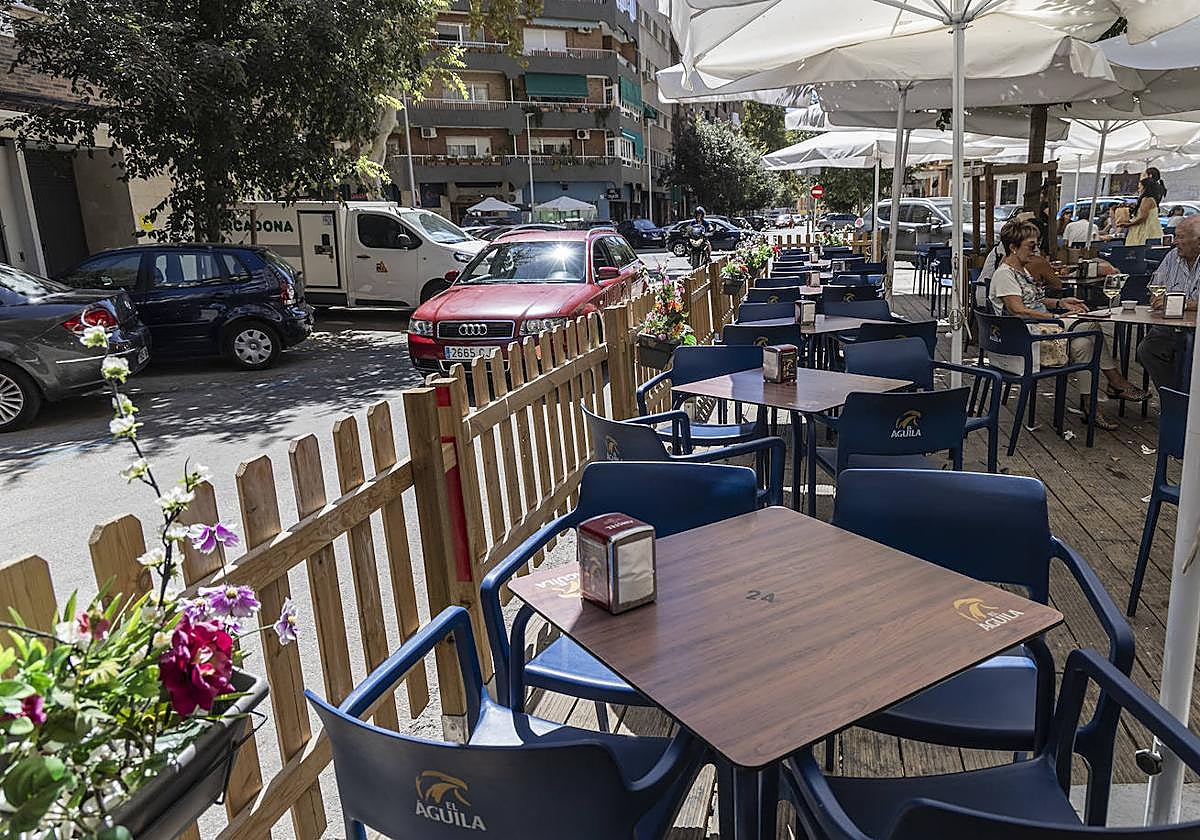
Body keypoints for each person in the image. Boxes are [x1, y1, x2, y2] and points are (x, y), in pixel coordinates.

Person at [988, 220, 1149, 430]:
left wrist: (1061, 302)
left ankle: (1090, 405)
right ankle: (1116, 382)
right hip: (1026, 339)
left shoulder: (1022, 270)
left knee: (1084, 345)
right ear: (1013, 247)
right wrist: (1058, 316)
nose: (1036, 249)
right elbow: (1018, 310)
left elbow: (1033, 301)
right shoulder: (1005, 274)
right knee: (1090, 323)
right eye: (1030, 245)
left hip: (1040, 329)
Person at [1136, 215, 1200, 389]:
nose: (1175, 242)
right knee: (1146, 350)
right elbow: (1155, 288)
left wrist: (1180, 303)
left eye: (1181, 237)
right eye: (1175, 236)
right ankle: (1173, 399)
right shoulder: (1172, 257)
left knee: (1191, 354)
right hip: (1170, 326)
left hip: (1197, 331)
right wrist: (1156, 299)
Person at [1120, 177, 1162, 247]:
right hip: (1152, 228)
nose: (1139, 189)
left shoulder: (1146, 200)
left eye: (1140, 187)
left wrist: (1129, 224)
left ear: (1145, 187)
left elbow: (1143, 217)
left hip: (1144, 230)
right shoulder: (1152, 199)